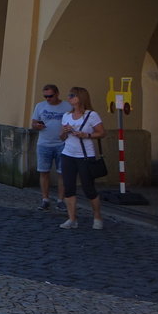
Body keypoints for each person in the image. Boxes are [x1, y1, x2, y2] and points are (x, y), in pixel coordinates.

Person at [58, 86, 106, 229]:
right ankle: (72, 218)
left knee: (88, 188)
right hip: (68, 154)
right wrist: (65, 132)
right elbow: (61, 137)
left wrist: (87, 135)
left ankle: (97, 217)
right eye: (69, 95)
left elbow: (102, 133)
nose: (69, 98)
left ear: (80, 97)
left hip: (85, 156)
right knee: (69, 187)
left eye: (72, 95)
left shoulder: (91, 115)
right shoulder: (66, 115)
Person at [30, 83, 71, 211]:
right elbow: (33, 123)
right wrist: (37, 126)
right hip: (44, 144)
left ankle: (61, 200)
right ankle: (45, 199)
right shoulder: (40, 106)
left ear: (57, 94)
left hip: (62, 144)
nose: (48, 99)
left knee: (62, 173)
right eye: (45, 96)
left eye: (50, 96)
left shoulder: (67, 106)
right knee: (44, 172)